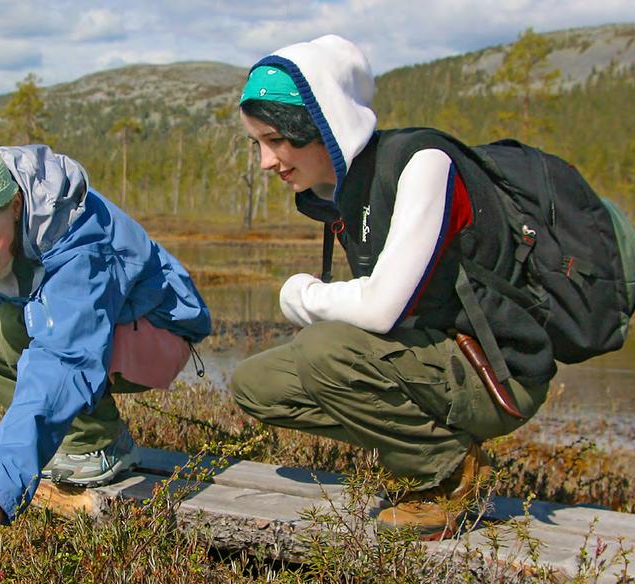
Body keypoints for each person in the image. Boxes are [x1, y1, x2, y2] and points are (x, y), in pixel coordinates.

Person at [230, 35, 552, 540]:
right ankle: (429, 448)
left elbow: (381, 309)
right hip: (434, 357)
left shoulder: (423, 162)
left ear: (322, 122)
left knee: (322, 347)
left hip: (496, 370)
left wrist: (301, 295)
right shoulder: (344, 189)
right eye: (259, 145)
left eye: (276, 140)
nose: (267, 161)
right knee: (257, 385)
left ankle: (447, 475)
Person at [0, 117, 212, 556]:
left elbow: (64, 357)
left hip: (157, 334)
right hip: (95, 332)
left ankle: (99, 443)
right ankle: (67, 436)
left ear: (16, 205)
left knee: (17, 327)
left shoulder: (75, 238)